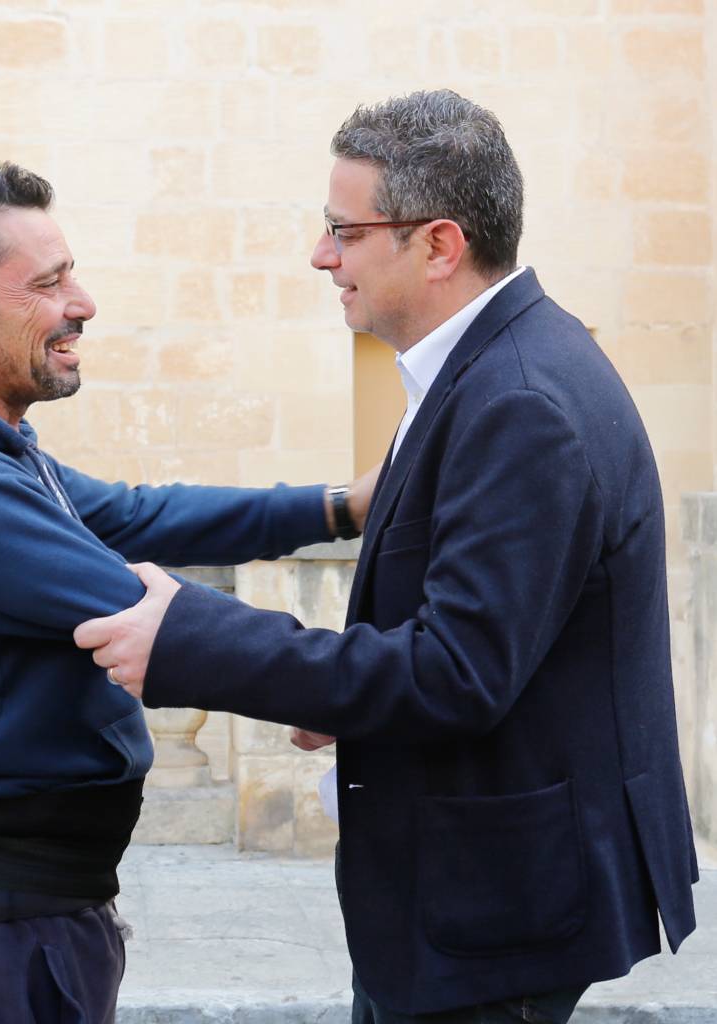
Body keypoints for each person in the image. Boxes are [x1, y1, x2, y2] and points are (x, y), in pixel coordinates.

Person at [74, 90, 699, 1023]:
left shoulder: (520, 399)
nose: (321, 255)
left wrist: (196, 639)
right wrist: (340, 695)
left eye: (345, 231)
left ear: (438, 245)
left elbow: (458, 672)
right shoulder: (489, 364)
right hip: (474, 894)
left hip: (497, 916)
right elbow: (482, 631)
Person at [0, 163, 378, 1024]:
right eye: (48, 284)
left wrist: (342, 506)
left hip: (29, 911)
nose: (81, 303)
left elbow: (140, 515)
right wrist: (331, 682)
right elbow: (142, 608)